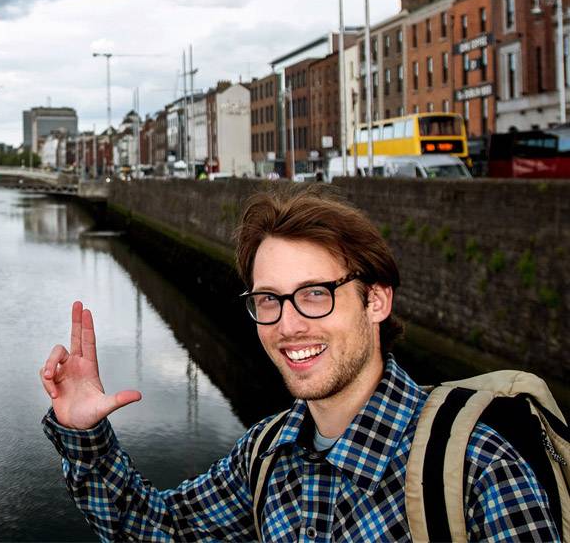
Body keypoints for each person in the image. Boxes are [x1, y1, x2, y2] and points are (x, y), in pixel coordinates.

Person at [40, 186, 558, 541]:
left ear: (376, 301)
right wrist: (86, 437)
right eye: (269, 299)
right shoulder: (268, 453)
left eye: (315, 294)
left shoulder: (477, 468)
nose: (288, 325)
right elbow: (162, 530)